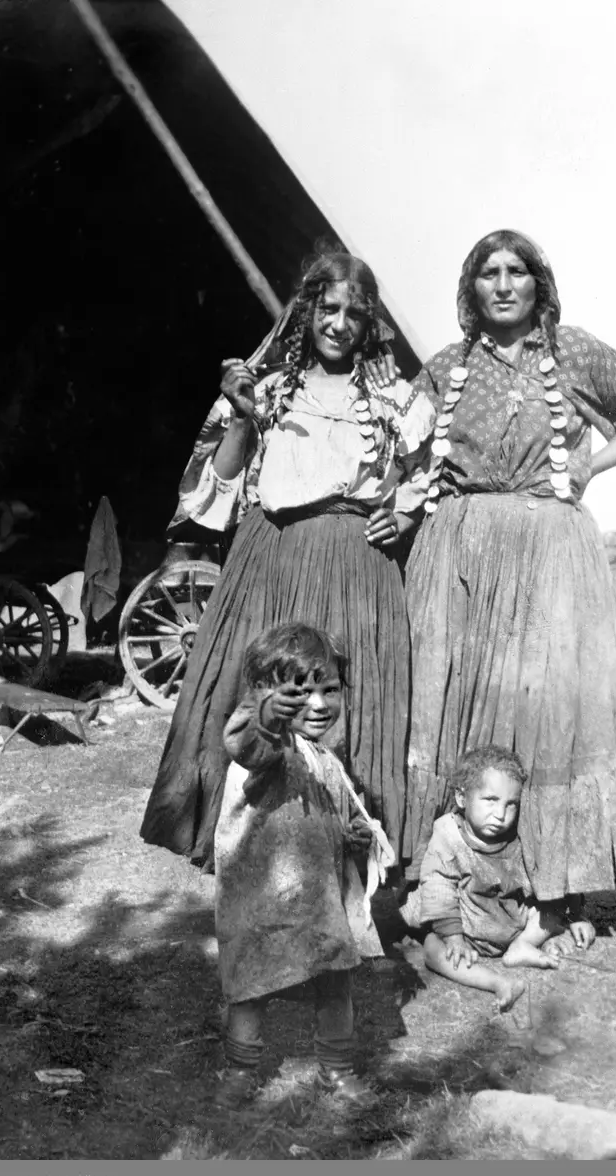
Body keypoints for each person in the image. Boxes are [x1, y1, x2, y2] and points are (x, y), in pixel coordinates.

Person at [405, 229, 616, 928]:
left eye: (516, 271)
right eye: (487, 273)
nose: (502, 285)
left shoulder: (571, 351)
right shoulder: (443, 368)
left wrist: (594, 464)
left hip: (552, 553)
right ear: (470, 289)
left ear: (537, 284)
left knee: (552, 712)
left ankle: (558, 892)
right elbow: (395, 447)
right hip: (460, 555)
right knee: (463, 706)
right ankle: (462, 889)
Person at [140, 250, 434, 871]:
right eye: (327, 309)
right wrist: (243, 418)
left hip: (356, 565)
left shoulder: (396, 403)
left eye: (355, 313)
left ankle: (341, 850)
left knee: (342, 701)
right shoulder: (264, 389)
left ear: (370, 322)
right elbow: (210, 488)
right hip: (271, 558)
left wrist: (403, 515)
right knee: (265, 696)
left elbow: (425, 480)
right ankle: (250, 844)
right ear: (305, 313)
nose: (339, 324)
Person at [215, 622, 387, 1104]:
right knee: (250, 983)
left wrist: (354, 835)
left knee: (336, 979)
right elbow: (247, 744)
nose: (319, 704)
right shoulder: (271, 751)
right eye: (300, 693)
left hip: (318, 899)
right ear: (266, 697)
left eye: (329, 689)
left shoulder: (324, 758)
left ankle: (337, 1068)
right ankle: (241, 1070)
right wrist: (266, 718)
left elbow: (336, 808)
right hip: (261, 899)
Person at [402, 747, 593, 1012]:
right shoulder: (448, 833)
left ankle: (523, 946)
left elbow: (553, 872)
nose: (501, 814)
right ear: (461, 797)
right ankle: (498, 983)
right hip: (464, 925)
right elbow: (438, 885)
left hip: (513, 920)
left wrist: (576, 913)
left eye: (510, 804)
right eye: (490, 800)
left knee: (552, 909)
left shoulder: (522, 831)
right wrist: (454, 937)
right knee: (434, 951)